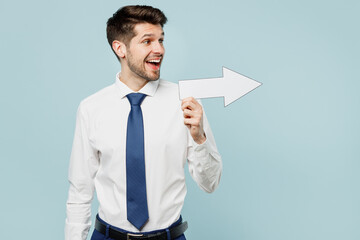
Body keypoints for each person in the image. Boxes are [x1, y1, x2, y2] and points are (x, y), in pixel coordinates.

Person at [65, 5, 222, 240]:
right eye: (147, 41)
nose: (159, 49)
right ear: (120, 48)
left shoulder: (186, 103)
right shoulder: (91, 109)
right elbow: (80, 191)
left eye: (161, 40)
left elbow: (210, 184)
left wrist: (200, 138)